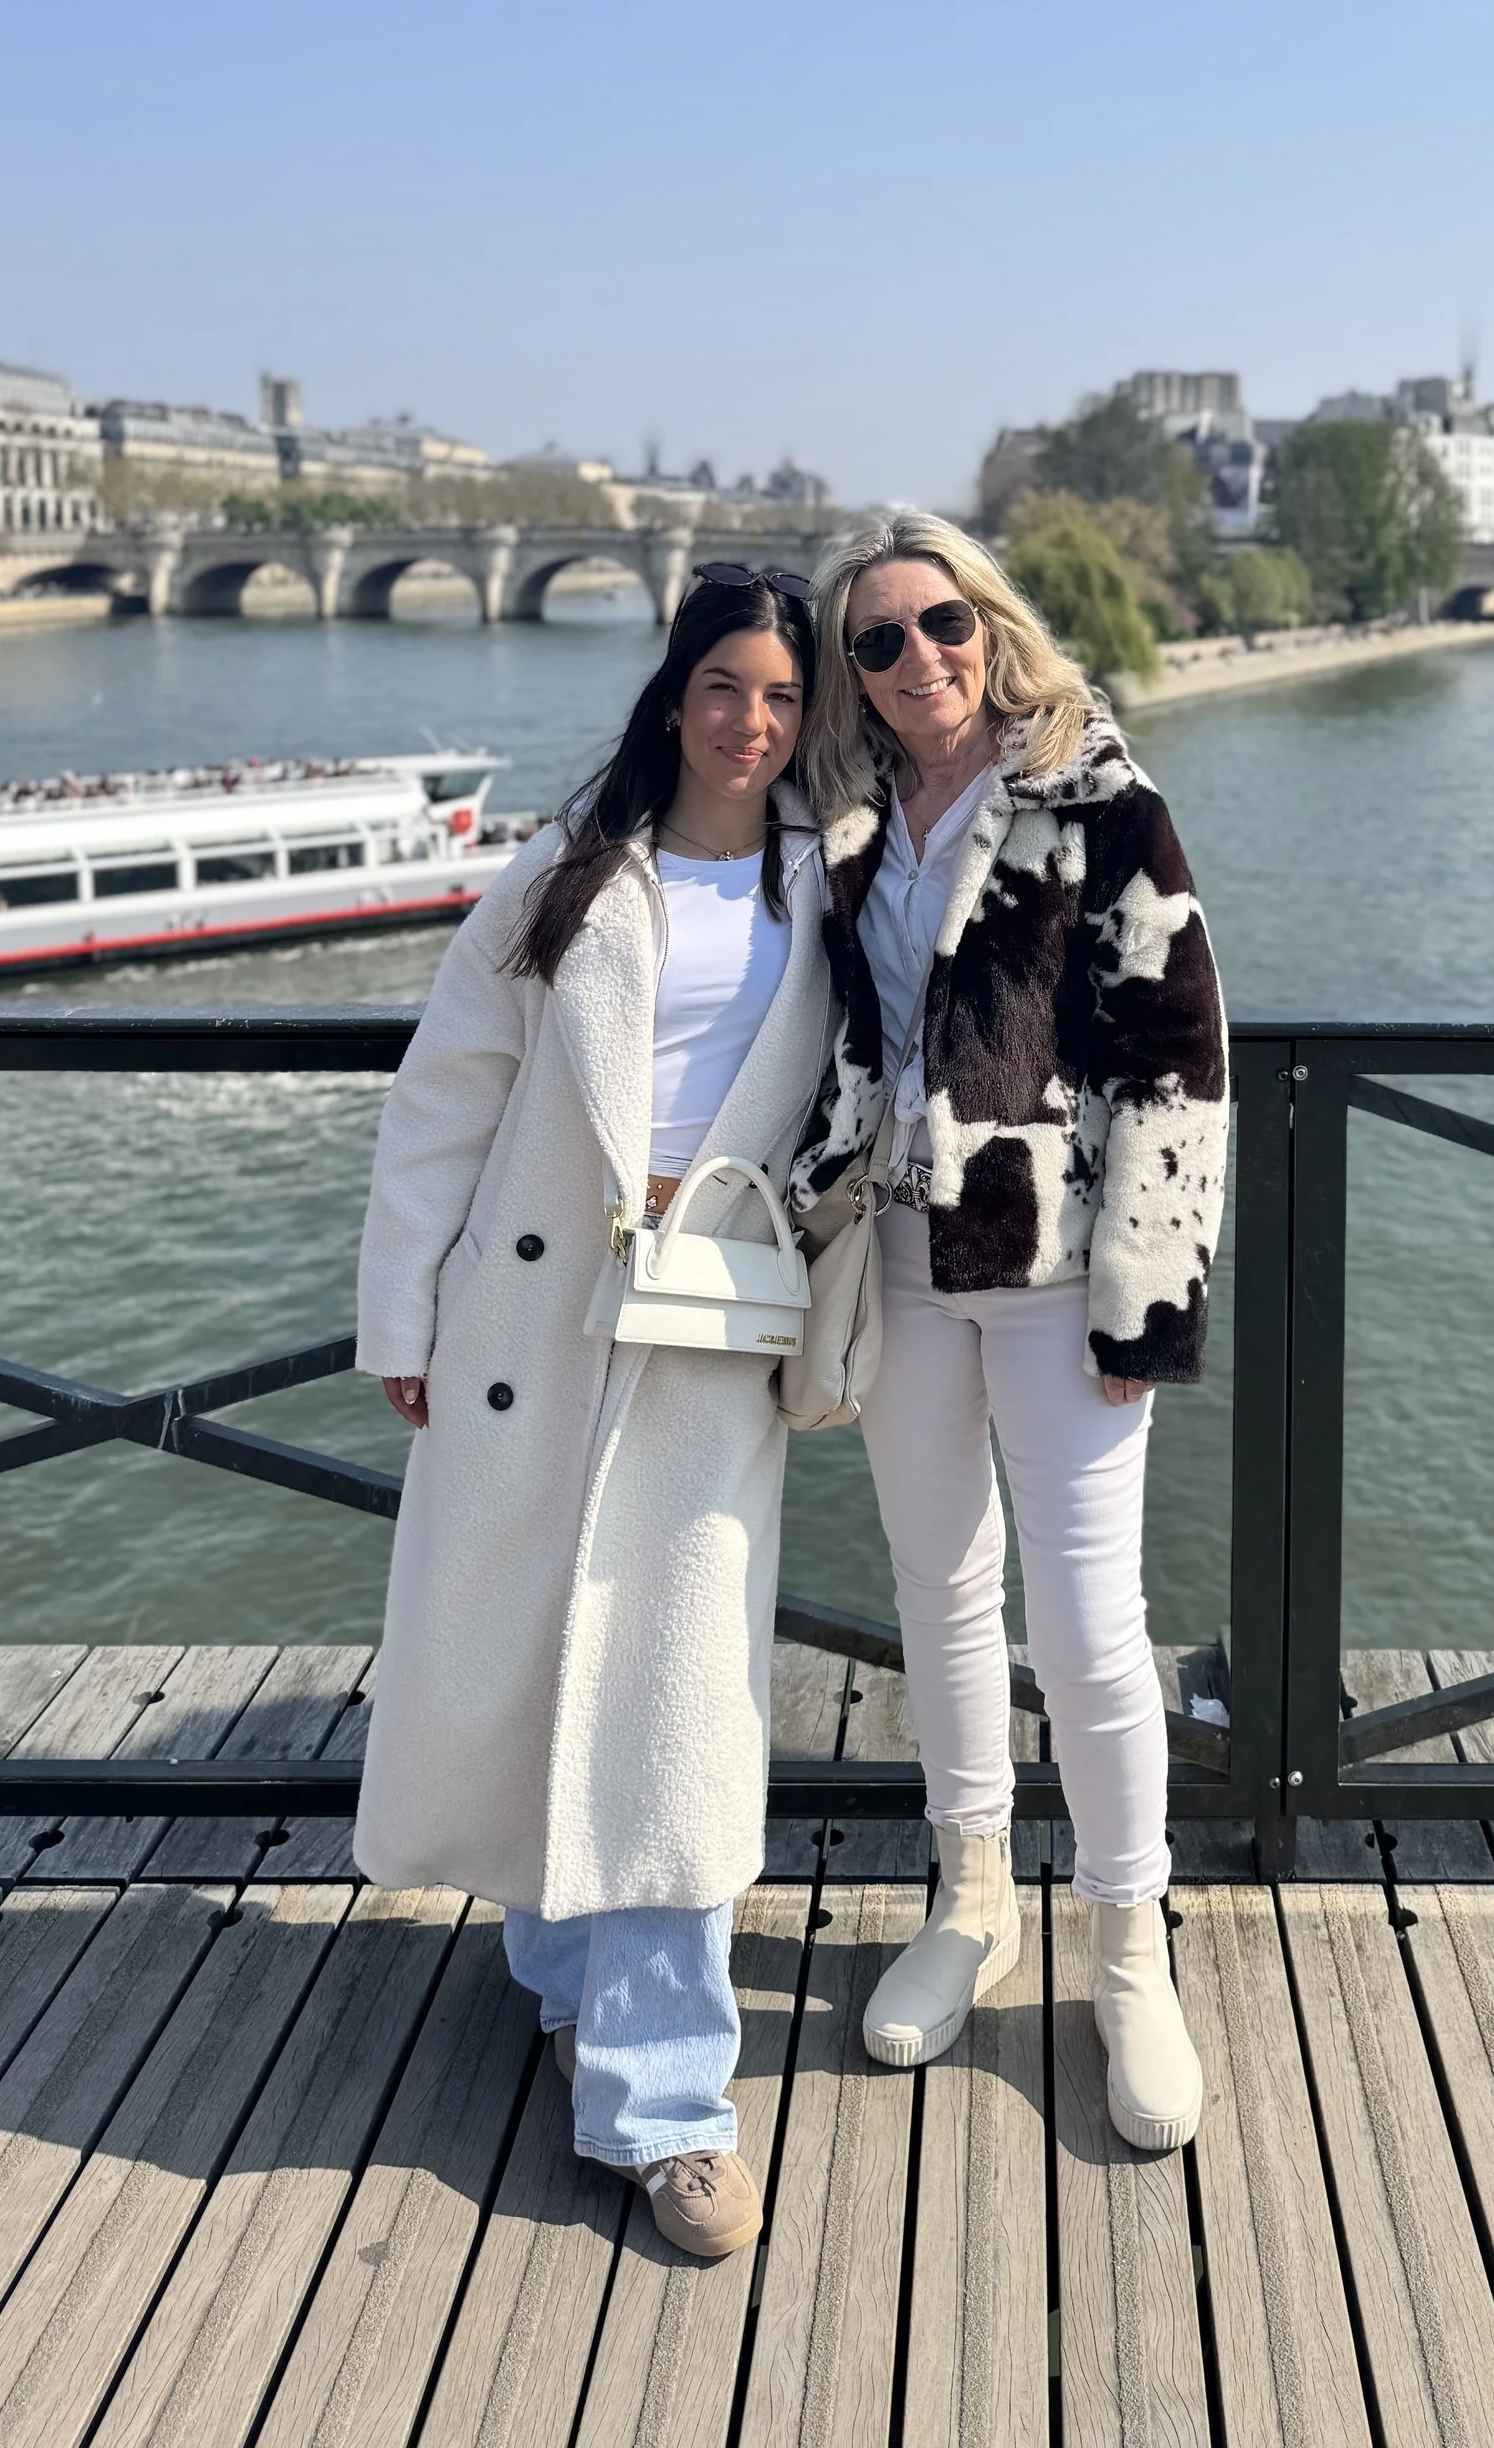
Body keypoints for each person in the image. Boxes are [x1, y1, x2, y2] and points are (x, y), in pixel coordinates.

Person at [353, 566, 830, 2259]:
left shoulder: (828, 888)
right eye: (724, 685)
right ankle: (563, 1962)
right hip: (534, 1311)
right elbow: (441, 1102)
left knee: (675, 1697)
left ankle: (663, 2100)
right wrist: (398, 1307)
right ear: (673, 693)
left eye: (780, 695)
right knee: (541, 1646)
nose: (751, 721)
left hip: (707, 1324)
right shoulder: (565, 877)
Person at [791, 509, 1228, 2150]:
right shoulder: (838, 819)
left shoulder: (1101, 800)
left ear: (993, 622)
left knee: (1093, 1635)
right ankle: (969, 1897)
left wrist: (1151, 1300)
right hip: (896, 1261)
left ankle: (1130, 1944)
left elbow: (1179, 1060)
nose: (921, 660)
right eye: (881, 641)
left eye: (944, 623)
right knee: (939, 1596)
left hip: (1058, 1281)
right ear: (856, 672)